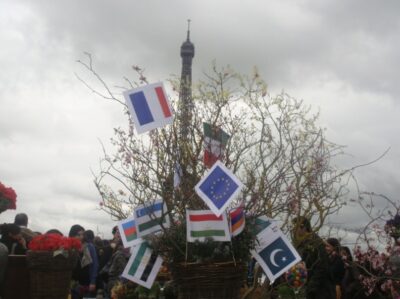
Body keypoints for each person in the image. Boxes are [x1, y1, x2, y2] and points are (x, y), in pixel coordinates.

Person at [292, 217, 335, 299]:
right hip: (304, 286)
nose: (294, 230)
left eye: (296, 227)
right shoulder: (300, 243)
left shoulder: (316, 243)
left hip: (319, 291)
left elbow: (322, 267)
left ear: (304, 227)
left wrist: (310, 289)